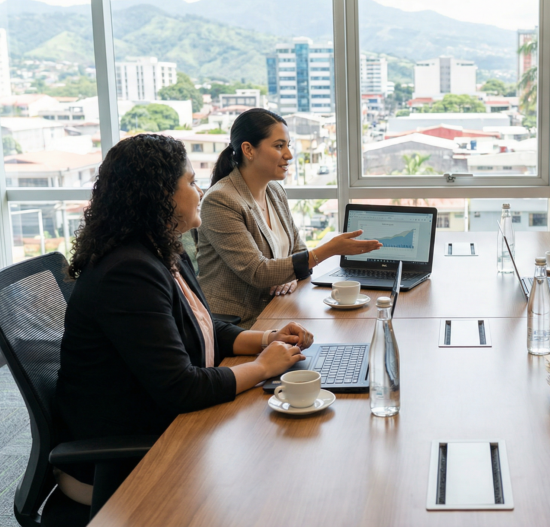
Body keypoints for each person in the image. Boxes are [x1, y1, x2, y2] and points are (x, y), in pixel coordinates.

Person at [56, 133, 312, 502]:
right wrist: (261, 368)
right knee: (276, 479)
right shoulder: (127, 272)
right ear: (160, 195)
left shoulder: (162, 251)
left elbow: (203, 327)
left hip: (170, 425)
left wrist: (266, 341)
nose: (200, 192)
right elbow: (181, 388)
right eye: (191, 182)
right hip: (123, 458)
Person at [196, 108, 380, 328]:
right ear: (248, 149)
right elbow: (258, 272)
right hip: (238, 324)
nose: (289, 155)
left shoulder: (275, 191)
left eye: (288, 146)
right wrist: (329, 249)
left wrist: (290, 275)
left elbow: (297, 252)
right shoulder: (221, 200)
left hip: (279, 309)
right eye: (278, 146)